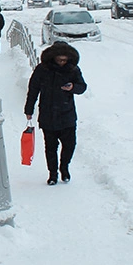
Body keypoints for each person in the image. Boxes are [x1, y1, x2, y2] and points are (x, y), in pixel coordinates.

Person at [24, 42, 87, 185]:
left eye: (64, 60)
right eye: (59, 60)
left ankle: (64, 168)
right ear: (53, 58)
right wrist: (29, 109)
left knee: (70, 145)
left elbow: (82, 87)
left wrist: (72, 87)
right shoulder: (42, 69)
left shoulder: (73, 70)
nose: (62, 62)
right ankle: (52, 174)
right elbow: (33, 89)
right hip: (48, 113)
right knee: (50, 147)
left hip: (67, 114)